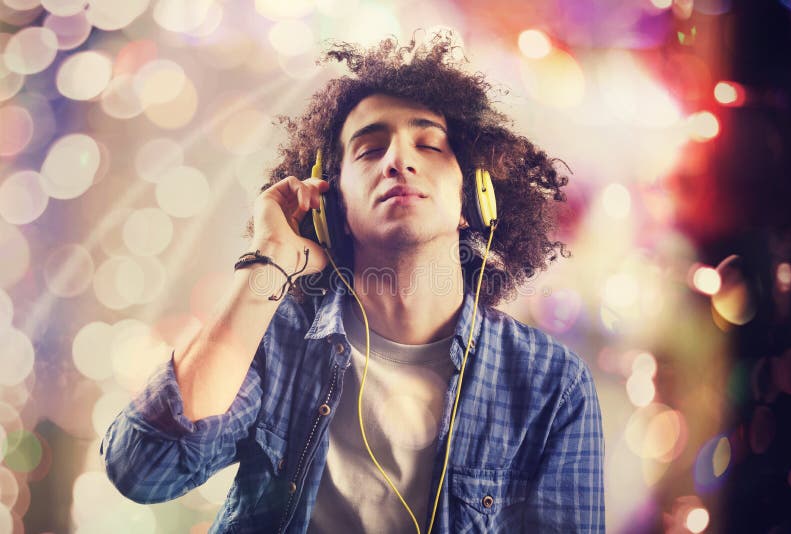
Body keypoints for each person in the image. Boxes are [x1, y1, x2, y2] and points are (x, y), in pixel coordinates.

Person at [101, 33, 605, 533]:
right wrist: (271, 259)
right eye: (368, 150)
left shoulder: (551, 385)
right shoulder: (275, 340)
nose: (397, 161)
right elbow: (143, 471)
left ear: (473, 200)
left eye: (428, 144)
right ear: (333, 206)